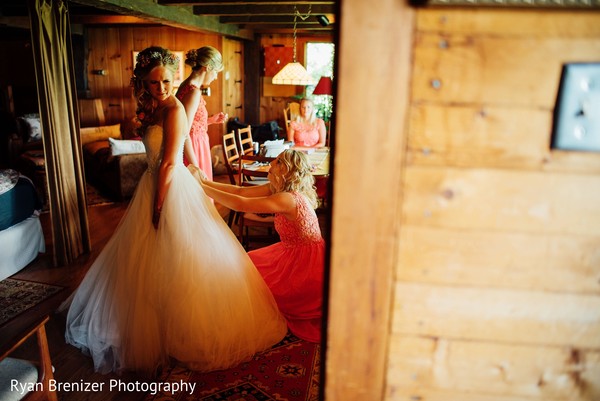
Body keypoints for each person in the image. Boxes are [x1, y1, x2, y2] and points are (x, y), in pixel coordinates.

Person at [64, 46, 287, 376]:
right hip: (153, 184)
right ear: (144, 84)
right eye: (154, 83)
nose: (162, 88)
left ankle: (181, 329)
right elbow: (172, 151)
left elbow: (170, 163)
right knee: (147, 261)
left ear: (175, 78)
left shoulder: (173, 109)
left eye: (167, 81)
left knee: (181, 258)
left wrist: (158, 205)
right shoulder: (156, 108)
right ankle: (151, 324)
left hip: (168, 188)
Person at [200, 149, 325, 343]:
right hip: (291, 251)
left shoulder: (287, 199)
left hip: (305, 266)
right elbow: (240, 191)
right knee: (247, 265)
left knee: (255, 284)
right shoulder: (278, 189)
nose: (271, 164)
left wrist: (202, 188)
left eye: (275, 162)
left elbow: (240, 204)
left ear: (284, 169)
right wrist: (204, 182)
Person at [175, 46, 228, 181]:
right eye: (216, 72)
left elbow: (189, 122)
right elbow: (184, 132)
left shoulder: (185, 85)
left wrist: (210, 120)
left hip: (196, 145)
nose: (216, 77)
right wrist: (195, 166)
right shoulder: (193, 92)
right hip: (193, 149)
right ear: (207, 67)